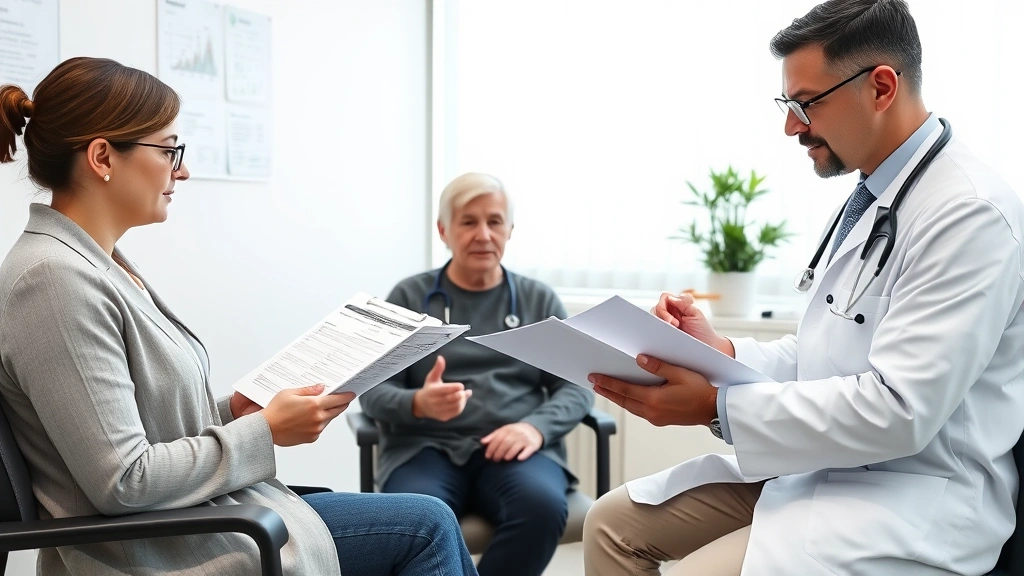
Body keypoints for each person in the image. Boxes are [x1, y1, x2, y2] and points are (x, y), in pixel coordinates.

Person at [582, 1, 1024, 575]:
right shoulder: (876, 194)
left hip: (919, 492)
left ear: (882, 87)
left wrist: (718, 405)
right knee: (611, 524)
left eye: (805, 103)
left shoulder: (969, 214)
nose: (791, 125)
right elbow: (827, 354)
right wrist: (721, 355)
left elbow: (900, 410)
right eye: (787, 104)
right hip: (832, 465)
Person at [0, 57, 477, 576]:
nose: (181, 169)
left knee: (427, 519)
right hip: (156, 550)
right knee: (426, 526)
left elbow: (139, 425)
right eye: (168, 150)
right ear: (101, 157)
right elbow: (124, 479)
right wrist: (266, 432)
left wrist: (234, 411)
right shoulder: (50, 281)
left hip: (198, 519)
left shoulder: (95, 264)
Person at [360, 173, 594, 576]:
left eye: (495, 221)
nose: (483, 234)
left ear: (510, 230)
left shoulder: (539, 299)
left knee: (540, 507)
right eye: (468, 222)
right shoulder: (409, 297)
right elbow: (372, 390)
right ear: (443, 231)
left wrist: (534, 428)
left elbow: (576, 386)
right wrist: (416, 403)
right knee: (413, 523)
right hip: (423, 448)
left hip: (514, 448)